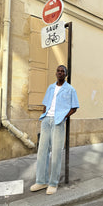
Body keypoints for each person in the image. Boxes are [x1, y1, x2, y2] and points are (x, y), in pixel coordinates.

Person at [30, 65, 79, 195]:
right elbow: (45, 104)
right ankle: (41, 181)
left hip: (58, 121)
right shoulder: (51, 87)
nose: (60, 73)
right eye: (58, 70)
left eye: (62, 71)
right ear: (56, 73)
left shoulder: (70, 89)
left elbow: (74, 108)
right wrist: (44, 116)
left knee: (56, 153)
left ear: (66, 74)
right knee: (42, 151)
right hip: (46, 120)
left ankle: (53, 183)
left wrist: (63, 117)